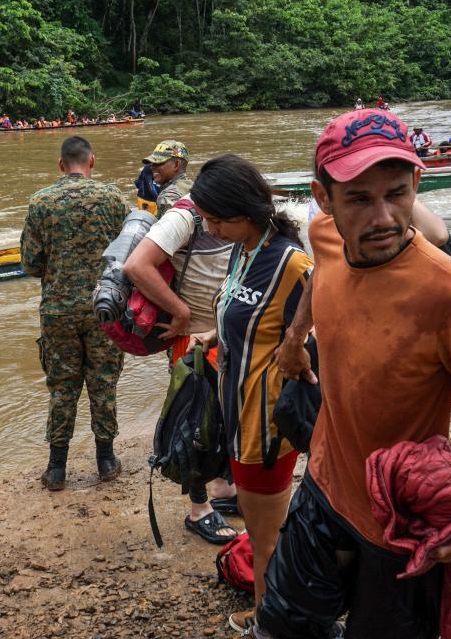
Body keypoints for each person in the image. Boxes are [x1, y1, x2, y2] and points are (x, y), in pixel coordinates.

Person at [246, 109, 451, 639]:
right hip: (324, 484)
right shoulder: (324, 235)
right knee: (279, 626)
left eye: (397, 194)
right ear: (322, 199)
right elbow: (320, 278)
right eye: (359, 200)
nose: (385, 219)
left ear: (417, 182)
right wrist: (296, 340)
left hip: (397, 519)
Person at [160, 155, 311, 632]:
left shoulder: (292, 265)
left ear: (243, 213)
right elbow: (242, 318)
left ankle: (267, 621)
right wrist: (213, 337)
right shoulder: (241, 250)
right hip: (234, 410)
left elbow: (320, 333)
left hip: (264, 424)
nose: (207, 227)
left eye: (213, 219)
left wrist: (295, 348)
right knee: (257, 518)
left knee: (264, 536)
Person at [124, 151, 239, 545]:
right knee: (194, 427)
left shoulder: (236, 220)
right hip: (190, 343)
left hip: (222, 338)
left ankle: (223, 489)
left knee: (224, 418)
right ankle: (198, 509)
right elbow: (137, 267)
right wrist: (181, 313)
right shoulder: (183, 217)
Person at [20, 136, 130, 491]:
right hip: (106, 307)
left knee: (62, 386)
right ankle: (106, 460)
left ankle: (56, 469)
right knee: (103, 382)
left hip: (58, 310)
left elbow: (31, 264)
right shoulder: (113, 199)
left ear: (60, 165)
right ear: (92, 161)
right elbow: (132, 254)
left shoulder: (40, 202)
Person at [142, 140, 193, 217]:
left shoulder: (167, 197)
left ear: (176, 165)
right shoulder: (194, 187)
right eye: (152, 163)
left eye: (159, 162)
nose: (152, 167)